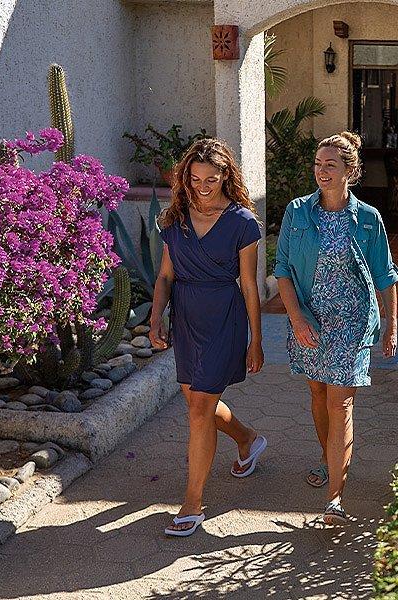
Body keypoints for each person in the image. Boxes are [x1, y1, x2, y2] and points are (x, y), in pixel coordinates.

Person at [274, 131, 398, 525]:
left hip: (351, 320)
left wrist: (392, 324)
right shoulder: (298, 212)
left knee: (340, 402)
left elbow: (385, 274)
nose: (321, 171)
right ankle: (329, 460)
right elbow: (282, 271)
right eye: (317, 164)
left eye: (330, 165)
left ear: (350, 170)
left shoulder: (367, 219)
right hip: (308, 319)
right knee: (317, 394)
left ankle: (335, 499)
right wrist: (295, 318)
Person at [149, 138, 267, 537]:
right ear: (185, 177)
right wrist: (155, 319)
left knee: (199, 409)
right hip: (186, 319)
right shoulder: (174, 220)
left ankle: (192, 503)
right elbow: (165, 276)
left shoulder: (242, 222)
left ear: (225, 177)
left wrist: (256, 339)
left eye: (211, 179)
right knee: (197, 400)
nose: (202, 186)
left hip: (224, 317)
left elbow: (250, 286)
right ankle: (248, 438)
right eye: (195, 178)